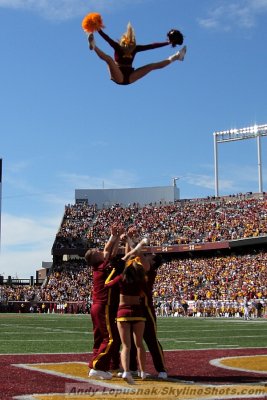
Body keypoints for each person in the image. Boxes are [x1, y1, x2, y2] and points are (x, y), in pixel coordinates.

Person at [105, 237, 150, 384]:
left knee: (126, 345)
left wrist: (113, 271)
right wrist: (132, 244)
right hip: (138, 312)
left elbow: (107, 284)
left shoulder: (121, 277)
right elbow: (137, 261)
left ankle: (126, 371)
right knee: (139, 344)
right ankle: (142, 371)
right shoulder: (140, 277)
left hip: (123, 311)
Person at [87, 21, 186, 85]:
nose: (129, 49)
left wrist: (168, 42)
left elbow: (152, 46)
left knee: (152, 66)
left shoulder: (135, 48)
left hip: (130, 76)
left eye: (131, 47)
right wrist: (98, 28)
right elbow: (107, 38)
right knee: (109, 59)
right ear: (123, 44)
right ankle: (94, 46)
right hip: (118, 75)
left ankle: (177, 57)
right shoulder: (117, 47)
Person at [85, 224, 124, 380]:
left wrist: (115, 238)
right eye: (97, 252)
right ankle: (97, 366)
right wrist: (113, 236)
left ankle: (102, 365)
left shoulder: (99, 266)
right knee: (111, 338)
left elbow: (111, 252)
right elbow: (108, 251)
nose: (101, 251)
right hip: (103, 306)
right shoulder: (100, 266)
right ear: (95, 257)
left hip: (97, 305)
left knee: (100, 338)